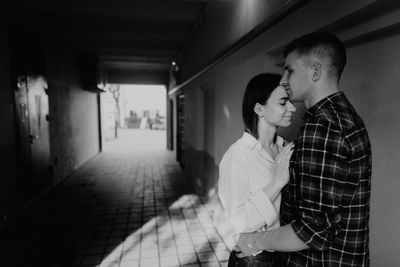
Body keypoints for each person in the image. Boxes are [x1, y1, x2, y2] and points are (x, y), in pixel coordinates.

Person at [235, 32, 372, 266]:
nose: (283, 80)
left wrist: (253, 241)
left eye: (289, 70)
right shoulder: (343, 117)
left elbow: (312, 229)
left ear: (315, 71)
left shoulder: (323, 126)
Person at [218, 73, 296, 266]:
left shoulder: (285, 148)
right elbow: (237, 222)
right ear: (259, 109)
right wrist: (277, 183)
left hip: (285, 253)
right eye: (283, 102)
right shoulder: (237, 155)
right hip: (255, 258)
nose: (292, 108)